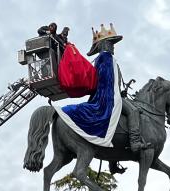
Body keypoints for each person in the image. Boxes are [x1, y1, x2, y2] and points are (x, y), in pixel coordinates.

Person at [55, 24, 151, 152]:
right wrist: (116, 93)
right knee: (133, 111)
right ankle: (135, 142)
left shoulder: (102, 59)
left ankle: (114, 160)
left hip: (109, 94)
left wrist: (120, 91)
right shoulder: (106, 57)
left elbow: (107, 80)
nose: (113, 47)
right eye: (111, 44)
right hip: (107, 97)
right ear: (104, 44)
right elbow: (107, 82)